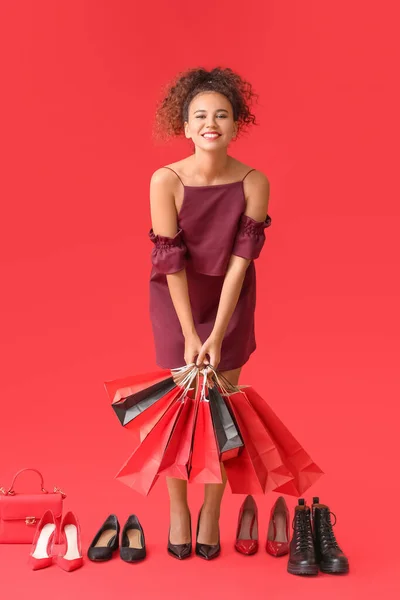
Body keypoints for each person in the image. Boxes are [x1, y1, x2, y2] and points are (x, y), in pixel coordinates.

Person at [148, 66, 272, 559]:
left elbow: (240, 265)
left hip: (230, 303)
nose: (211, 123)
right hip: (174, 300)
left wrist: (217, 333)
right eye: (200, 115)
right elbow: (171, 262)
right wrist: (188, 332)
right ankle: (178, 508)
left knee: (223, 412)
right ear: (185, 126)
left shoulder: (254, 181)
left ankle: (213, 510)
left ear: (236, 124)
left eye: (221, 114)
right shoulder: (166, 180)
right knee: (178, 415)